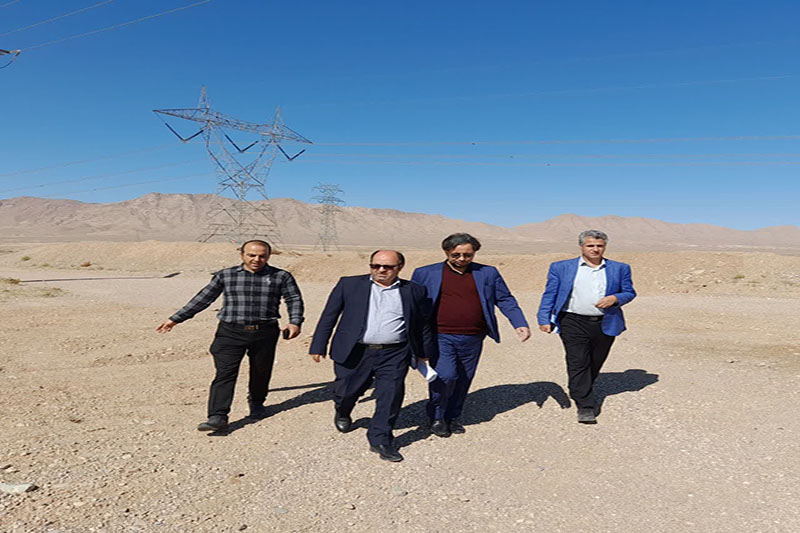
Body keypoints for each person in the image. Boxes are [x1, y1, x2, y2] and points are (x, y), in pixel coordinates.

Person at [156, 240, 304, 432]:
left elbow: (293, 299)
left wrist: (295, 321)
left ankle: (257, 403)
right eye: (251, 255)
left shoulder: (281, 276)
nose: (256, 259)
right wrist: (176, 319)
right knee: (225, 372)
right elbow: (204, 298)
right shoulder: (226, 275)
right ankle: (217, 416)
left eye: (262, 256)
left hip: (265, 332)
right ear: (242, 255)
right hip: (230, 332)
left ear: (268, 256)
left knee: (261, 371)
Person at [309, 250, 434, 462]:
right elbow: (329, 315)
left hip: (395, 353)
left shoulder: (414, 290)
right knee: (346, 390)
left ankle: (381, 439)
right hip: (355, 351)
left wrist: (424, 353)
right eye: (375, 266)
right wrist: (318, 345)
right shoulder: (349, 285)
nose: (381, 270)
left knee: (390, 395)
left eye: (388, 267)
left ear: (400, 267)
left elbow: (422, 324)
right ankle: (343, 410)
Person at [411, 233, 530, 438]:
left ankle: (453, 416)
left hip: (473, 336)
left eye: (468, 255)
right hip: (441, 335)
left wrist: (519, 323)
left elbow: (505, 299)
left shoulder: (487, 273)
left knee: (464, 377)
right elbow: (412, 303)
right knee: (446, 375)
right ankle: (437, 416)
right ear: (446, 252)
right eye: (456, 255)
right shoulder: (425, 273)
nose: (462, 259)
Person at [536, 230, 636, 424]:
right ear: (581, 246)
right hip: (572, 321)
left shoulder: (620, 268)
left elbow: (629, 292)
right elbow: (550, 294)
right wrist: (543, 318)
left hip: (605, 322)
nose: (595, 249)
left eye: (599, 246)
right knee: (578, 361)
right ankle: (585, 405)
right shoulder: (561, 267)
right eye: (590, 245)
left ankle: (579, 387)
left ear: (605, 247)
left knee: (595, 361)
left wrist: (615, 298)